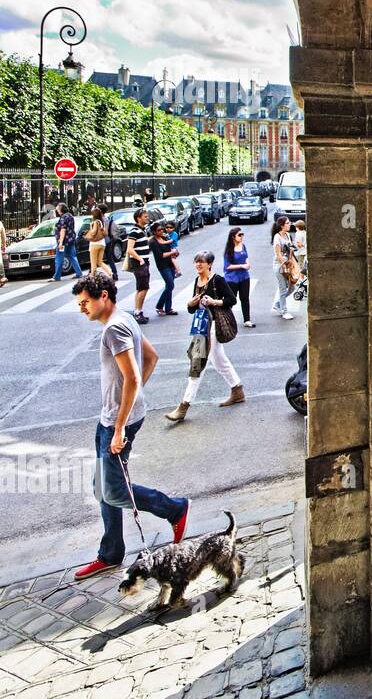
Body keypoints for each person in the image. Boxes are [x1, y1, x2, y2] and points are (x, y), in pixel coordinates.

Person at [69, 273, 189, 581]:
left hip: (116, 423)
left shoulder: (114, 328)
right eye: (80, 303)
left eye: (85, 302)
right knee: (101, 489)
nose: (82, 308)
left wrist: (121, 424)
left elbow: (134, 376)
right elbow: (151, 357)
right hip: (110, 417)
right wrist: (130, 400)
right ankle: (110, 554)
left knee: (113, 491)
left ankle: (174, 508)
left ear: (103, 297)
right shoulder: (124, 318)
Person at [165, 251, 243, 422]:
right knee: (218, 360)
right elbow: (193, 309)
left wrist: (215, 302)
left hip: (213, 327)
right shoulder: (197, 281)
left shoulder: (217, 280)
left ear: (209, 264)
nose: (198, 265)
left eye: (202, 262)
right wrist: (189, 304)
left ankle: (184, 405)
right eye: (196, 262)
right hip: (202, 326)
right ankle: (237, 390)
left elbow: (232, 299)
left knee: (198, 363)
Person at [123, 209, 152, 325]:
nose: (147, 218)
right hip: (139, 263)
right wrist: (140, 260)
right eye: (145, 216)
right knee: (143, 288)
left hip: (143, 262)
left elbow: (142, 243)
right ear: (138, 218)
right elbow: (130, 249)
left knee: (141, 288)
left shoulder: (142, 230)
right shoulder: (134, 231)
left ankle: (138, 311)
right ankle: (138, 312)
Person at [223, 227, 254, 327]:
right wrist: (241, 266)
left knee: (245, 298)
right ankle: (226, 319)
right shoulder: (229, 250)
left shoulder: (243, 246)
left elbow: (246, 257)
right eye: (239, 235)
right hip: (232, 278)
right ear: (233, 237)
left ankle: (247, 320)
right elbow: (227, 266)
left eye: (242, 234)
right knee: (231, 299)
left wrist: (247, 264)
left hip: (244, 277)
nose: (241, 237)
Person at [271, 216, 299, 320]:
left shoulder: (288, 234)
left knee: (292, 288)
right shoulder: (277, 237)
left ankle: (278, 303)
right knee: (283, 288)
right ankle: (284, 311)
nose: (290, 224)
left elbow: (290, 249)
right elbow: (278, 255)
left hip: (289, 264)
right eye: (287, 223)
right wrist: (286, 263)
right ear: (282, 225)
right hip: (280, 266)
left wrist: (292, 252)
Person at [150, 222, 179, 316]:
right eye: (159, 230)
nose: (162, 231)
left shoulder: (165, 237)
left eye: (162, 229)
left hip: (170, 263)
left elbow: (172, 248)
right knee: (170, 285)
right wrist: (172, 253)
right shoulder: (153, 242)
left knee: (169, 286)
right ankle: (159, 306)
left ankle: (168, 308)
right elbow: (161, 255)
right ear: (154, 232)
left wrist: (175, 253)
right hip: (162, 265)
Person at [50, 203, 84, 282]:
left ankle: (57, 276)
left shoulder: (63, 218)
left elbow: (63, 230)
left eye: (58, 209)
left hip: (64, 241)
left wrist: (61, 242)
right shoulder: (70, 216)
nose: (57, 211)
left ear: (61, 210)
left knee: (59, 258)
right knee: (72, 256)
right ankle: (79, 273)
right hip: (71, 240)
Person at [86, 208, 109, 276]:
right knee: (100, 261)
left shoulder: (95, 222)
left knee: (93, 263)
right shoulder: (102, 222)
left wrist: (90, 227)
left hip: (94, 244)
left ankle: (93, 277)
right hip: (102, 243)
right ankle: (110, 273)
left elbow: (93, 233)